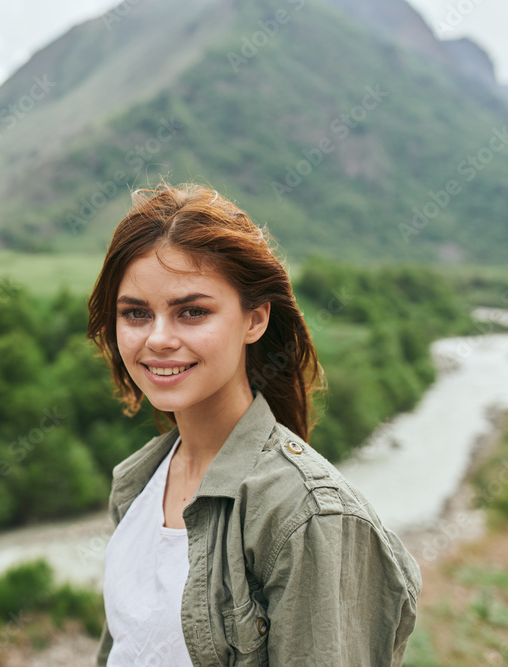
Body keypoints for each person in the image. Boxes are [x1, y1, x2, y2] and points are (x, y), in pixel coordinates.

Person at [86, 181, 422, 666]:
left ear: (255, 320)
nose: (158, 339)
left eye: (192, 312)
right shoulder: (136, 485)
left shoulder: (309, 518)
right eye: (136, 313)